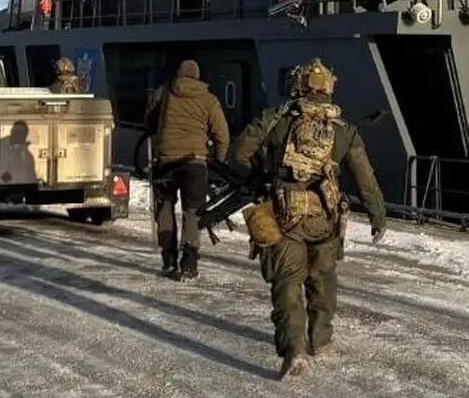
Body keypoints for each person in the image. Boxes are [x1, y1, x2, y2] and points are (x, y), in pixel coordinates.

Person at [229, 58, 386, 380]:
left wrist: (262, 175)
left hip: (283, 213)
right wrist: (377, 216)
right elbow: (365, 179)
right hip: (326, 217)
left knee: (287, 282)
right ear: (329, 88)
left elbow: (238, 154)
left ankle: (294, 350)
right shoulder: (345, 130)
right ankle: (321, 341)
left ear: (297, 86)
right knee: (322, 279)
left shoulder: (275, 120)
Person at [145, 59, 229, 280]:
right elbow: (222, 135)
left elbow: (149, 121)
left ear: (178, 73)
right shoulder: (209, 99)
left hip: (166, 161)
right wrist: (218, 161)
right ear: (197, 76)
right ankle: (189, 263)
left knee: (165, 207)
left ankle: (168, 259)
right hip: (195, 162)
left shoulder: (163, 93)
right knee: (192, 212)